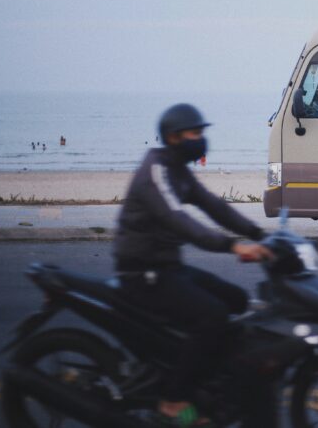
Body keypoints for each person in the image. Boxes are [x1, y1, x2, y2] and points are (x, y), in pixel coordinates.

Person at [113, 103, 273, 425]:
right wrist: (232, 245)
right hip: (143, 274)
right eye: (195, 133)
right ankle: (173, 399)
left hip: (167, 267)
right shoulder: (156, 170)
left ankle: (208, 374)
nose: (201, 139)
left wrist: (259, 234)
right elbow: (180, 220)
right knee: (211, 316)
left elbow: (213, 206)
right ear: (174, 137)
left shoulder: (178, 169)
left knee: (236, 299)